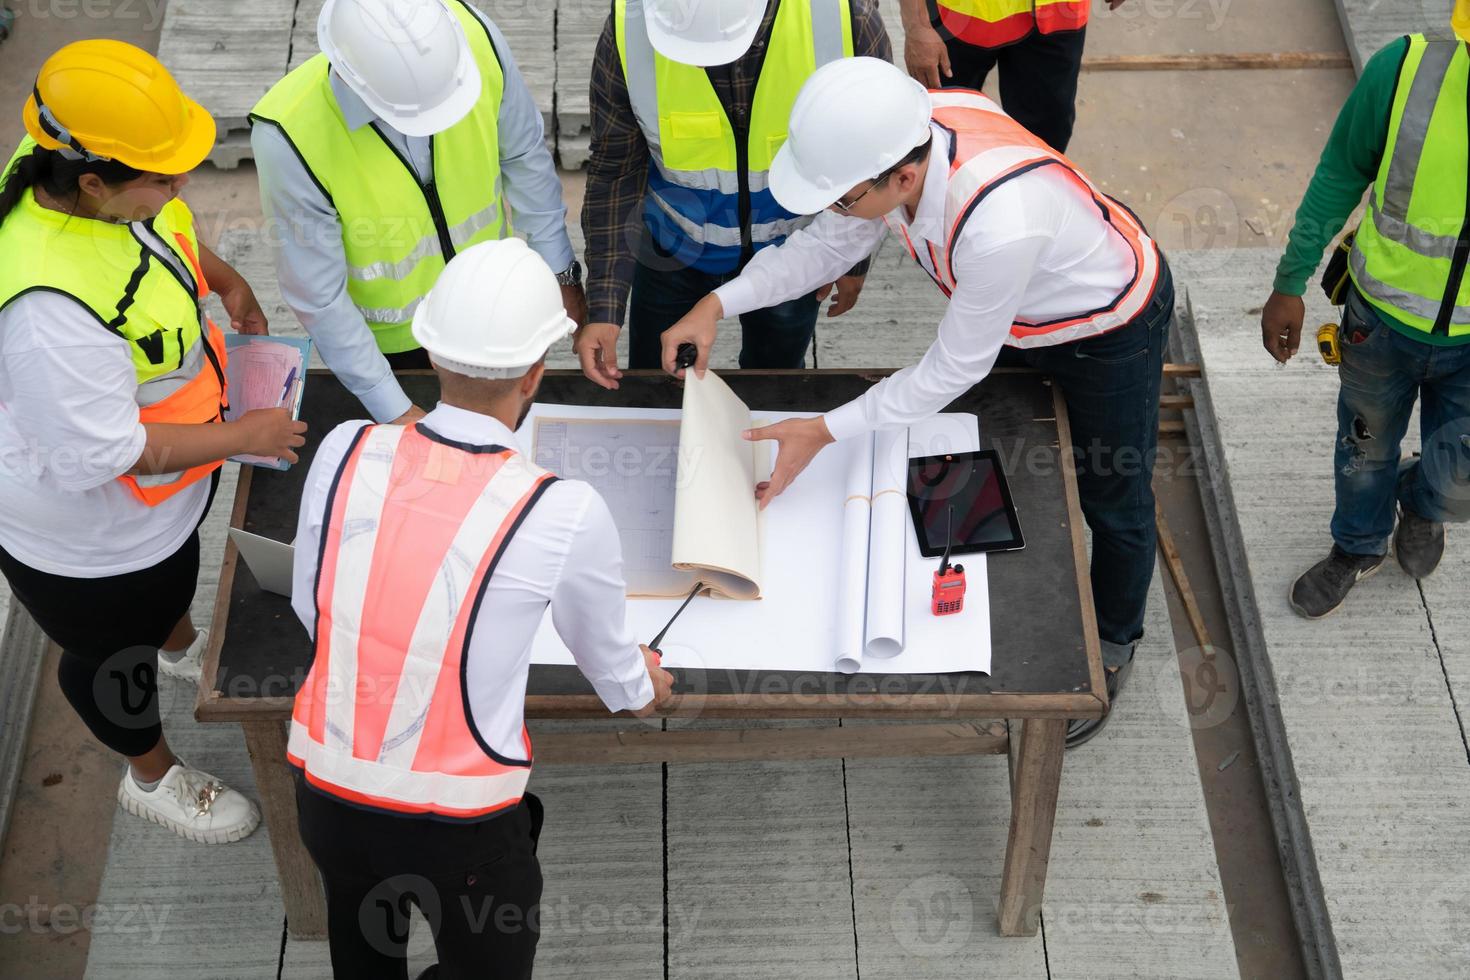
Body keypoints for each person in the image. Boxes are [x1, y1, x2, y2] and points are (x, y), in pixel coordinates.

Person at [662, 57, 1174, 747]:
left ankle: (1113, 641)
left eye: (842, 197)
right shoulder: (901, 137)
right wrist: (716, 304)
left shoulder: (998, 223)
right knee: (1003, 453)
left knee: (1114, 497)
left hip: (1107, 326)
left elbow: (951, 369)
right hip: (1022, 304)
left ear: (902, 179)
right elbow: (824, 249)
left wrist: (824, 430)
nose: (835, 211)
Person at [289, 237, 675, 977]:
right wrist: (644, 685)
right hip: (459, 832)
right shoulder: (563, 509)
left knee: (363, 958)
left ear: (431, 355)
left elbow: (318, 611)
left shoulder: (343, 448)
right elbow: (617, 678)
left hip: (327, 796)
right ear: (536, 374)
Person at [0, 40, 306, 843]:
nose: (182, 189)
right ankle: (152, 774)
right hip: (89, 538)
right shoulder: (45, 316)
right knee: (110, 657)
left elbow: (157, 238)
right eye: (163, 178)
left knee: (171, 587)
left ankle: (176, 642)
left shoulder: (76, 163)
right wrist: (247, 433)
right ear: (93, 182)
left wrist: (227, 282)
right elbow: (105, 453)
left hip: (164, 494)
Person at [251, 0, 583, 427]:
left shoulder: (475, 40)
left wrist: (561, 274)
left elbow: (524, 157)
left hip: (493, 311)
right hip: (393, 353)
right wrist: (393, 408)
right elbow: (321, 298)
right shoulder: (290, 137)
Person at [1261, 11, 1470, 619]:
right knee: (1363, 454)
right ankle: (1356, 545)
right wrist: (1289, 281)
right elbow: (1339, 175)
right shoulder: (1403, 70)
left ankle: (1424, 503)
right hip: (1379, 325)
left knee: (1458, 478)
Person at [573, 0, 892, 389]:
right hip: (673, 248)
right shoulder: (632, 26)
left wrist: (849, 260)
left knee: (774, 389)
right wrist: (605, 304)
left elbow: (869, 159)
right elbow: (615, 168)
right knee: (658, 385)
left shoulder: (845, 18)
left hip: (795, 251)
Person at [898, 0, 1128, 153]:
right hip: (959, 20)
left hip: (1058, 15)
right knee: (941, 134)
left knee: (1047, 135)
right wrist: (917, 26)